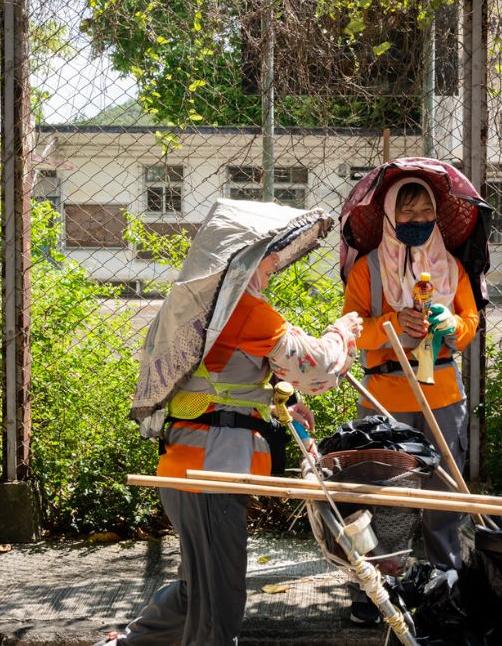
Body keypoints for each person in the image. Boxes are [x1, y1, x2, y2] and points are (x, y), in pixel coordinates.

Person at [100, 199, 362, 646]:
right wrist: (342, 333)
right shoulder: (240, 307)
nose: (276, 262)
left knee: (196, 588)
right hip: (211, 471)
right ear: (247, 259)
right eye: (270, 254)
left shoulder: (207, 305)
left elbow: (222, 380)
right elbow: (315, 365)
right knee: (218, 602)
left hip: (192, 463)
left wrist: (281, 401)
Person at [342, 177, 480, 625]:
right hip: (385, 395)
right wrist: (391, 322)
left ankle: (447, 588)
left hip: (442, 391)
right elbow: (352, 328)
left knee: (444, 497)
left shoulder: (452, 266)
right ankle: (376, 594)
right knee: (384, 497)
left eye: (425, 214)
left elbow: (470, 320)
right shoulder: (367, 269)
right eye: (407, 213)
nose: (417, 222)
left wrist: (450, 324)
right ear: (388, 216)